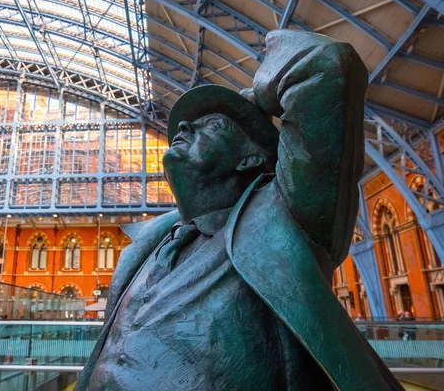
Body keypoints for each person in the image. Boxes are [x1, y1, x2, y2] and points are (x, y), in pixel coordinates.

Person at [77, 30, 402, 390]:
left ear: (251, 158)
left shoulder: (285, 219)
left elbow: (325, 65)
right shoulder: (145, 248)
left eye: (212, 126)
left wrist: (257, 100)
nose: (182, 126)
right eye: (187, 125)